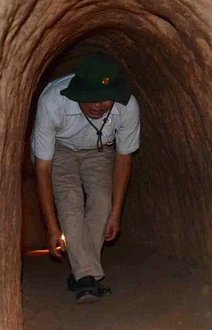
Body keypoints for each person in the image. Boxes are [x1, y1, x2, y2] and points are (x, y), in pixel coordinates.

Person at [31, 53, 140, 303]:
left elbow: (124, 159)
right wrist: (51, 227)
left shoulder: (127, 106)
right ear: (77, 92)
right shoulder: (52, 102)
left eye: (105, 99)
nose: (99, 105)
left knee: (102, 202)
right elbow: (43, 168)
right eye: (90, 99)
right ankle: (86, 278)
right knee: (70, 200)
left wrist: (116, 213)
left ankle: (81, 270)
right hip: (59, 149)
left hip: (100, 149)